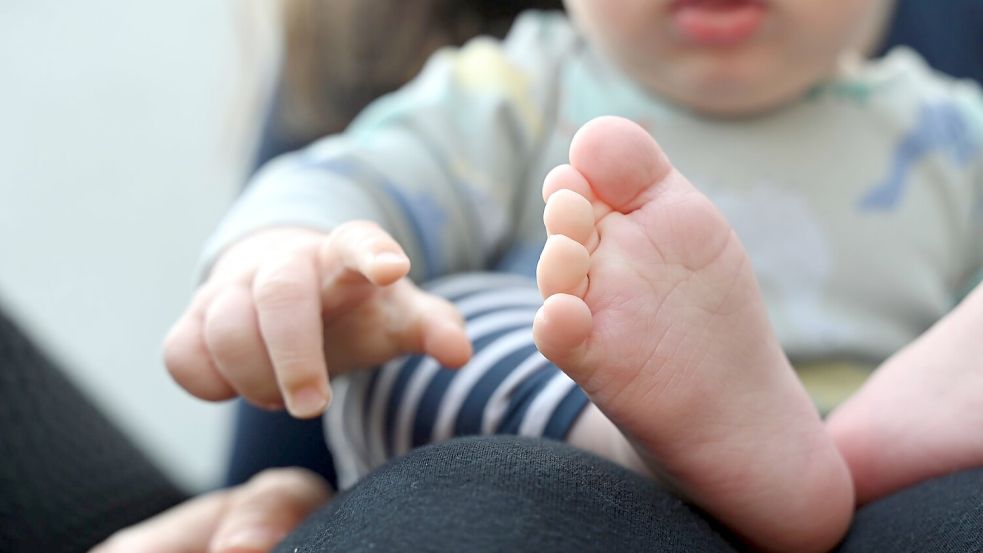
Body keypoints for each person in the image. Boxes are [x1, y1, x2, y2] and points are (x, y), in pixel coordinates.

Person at [105, 0, 983, 551]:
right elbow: (344, 178)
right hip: (561, 424)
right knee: (421, 323)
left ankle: (852, 439)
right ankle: (640, 435)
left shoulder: (953, 131)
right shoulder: (517, 90)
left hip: (860, 478)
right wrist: (282, 254)